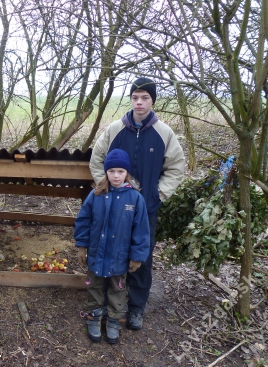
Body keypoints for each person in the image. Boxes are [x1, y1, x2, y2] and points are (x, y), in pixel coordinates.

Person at [89, 77, 185, 330]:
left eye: (145, 98)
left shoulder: (164, 133)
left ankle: (136, 307)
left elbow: (176, 168)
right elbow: (97, 159)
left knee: (141, 255)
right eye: (135, 97)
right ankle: (109, 303)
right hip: (113, 208)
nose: (139, 102)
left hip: (146, 209)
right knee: (111, 251)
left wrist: (157, 195)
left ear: (153, 101)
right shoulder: (114, 130)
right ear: (130, 99)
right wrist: (105, 188)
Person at [75, 149, 150, 343]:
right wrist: (82, 247)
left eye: (120, 171)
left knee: (118, 290)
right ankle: (94, 317)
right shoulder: (96, 194)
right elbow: (84, 221)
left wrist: (137, 257)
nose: (116, 176)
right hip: (97, 255)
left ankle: (114, 321)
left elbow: (141, 230)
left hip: (120, 256)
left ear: (127, 173)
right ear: (106, 172)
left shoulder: (135, 198)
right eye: (112, 171)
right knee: (95, 286)